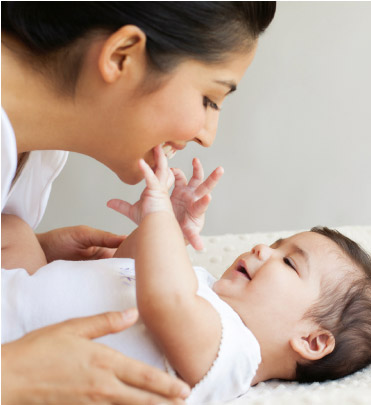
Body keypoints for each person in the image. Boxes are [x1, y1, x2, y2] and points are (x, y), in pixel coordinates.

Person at [1, 2, 277, 403]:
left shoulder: (38, 158)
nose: (207, 135)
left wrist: (29, 253)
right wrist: (13, 375)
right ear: (121, 55)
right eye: (209, 99)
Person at [2, 148, 371, 404]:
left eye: (289, 263)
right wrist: (173, 229)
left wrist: (158, 214)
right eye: (275, 244)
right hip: (24, 288)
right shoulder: (204, 287)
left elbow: (165, 300)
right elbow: (130, 268)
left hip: (16, 343)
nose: (262, 250)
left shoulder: (235, 354)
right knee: (13, 229)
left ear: (312, 341)